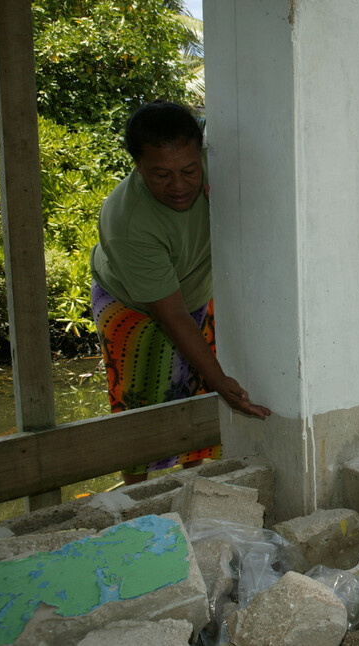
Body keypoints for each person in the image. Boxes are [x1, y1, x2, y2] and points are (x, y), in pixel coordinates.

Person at [91, 101, 270, 484]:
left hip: (194, 290)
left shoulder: (219, 159)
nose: (179, 186)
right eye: (161, 175)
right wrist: (221, 381)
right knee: (141, 404)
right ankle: (141, 500)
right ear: (138, 166)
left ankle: (195, 484)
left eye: (189, 171)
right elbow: (170, 314)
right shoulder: (128, 223)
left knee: (194, 391)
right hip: (132, 304)